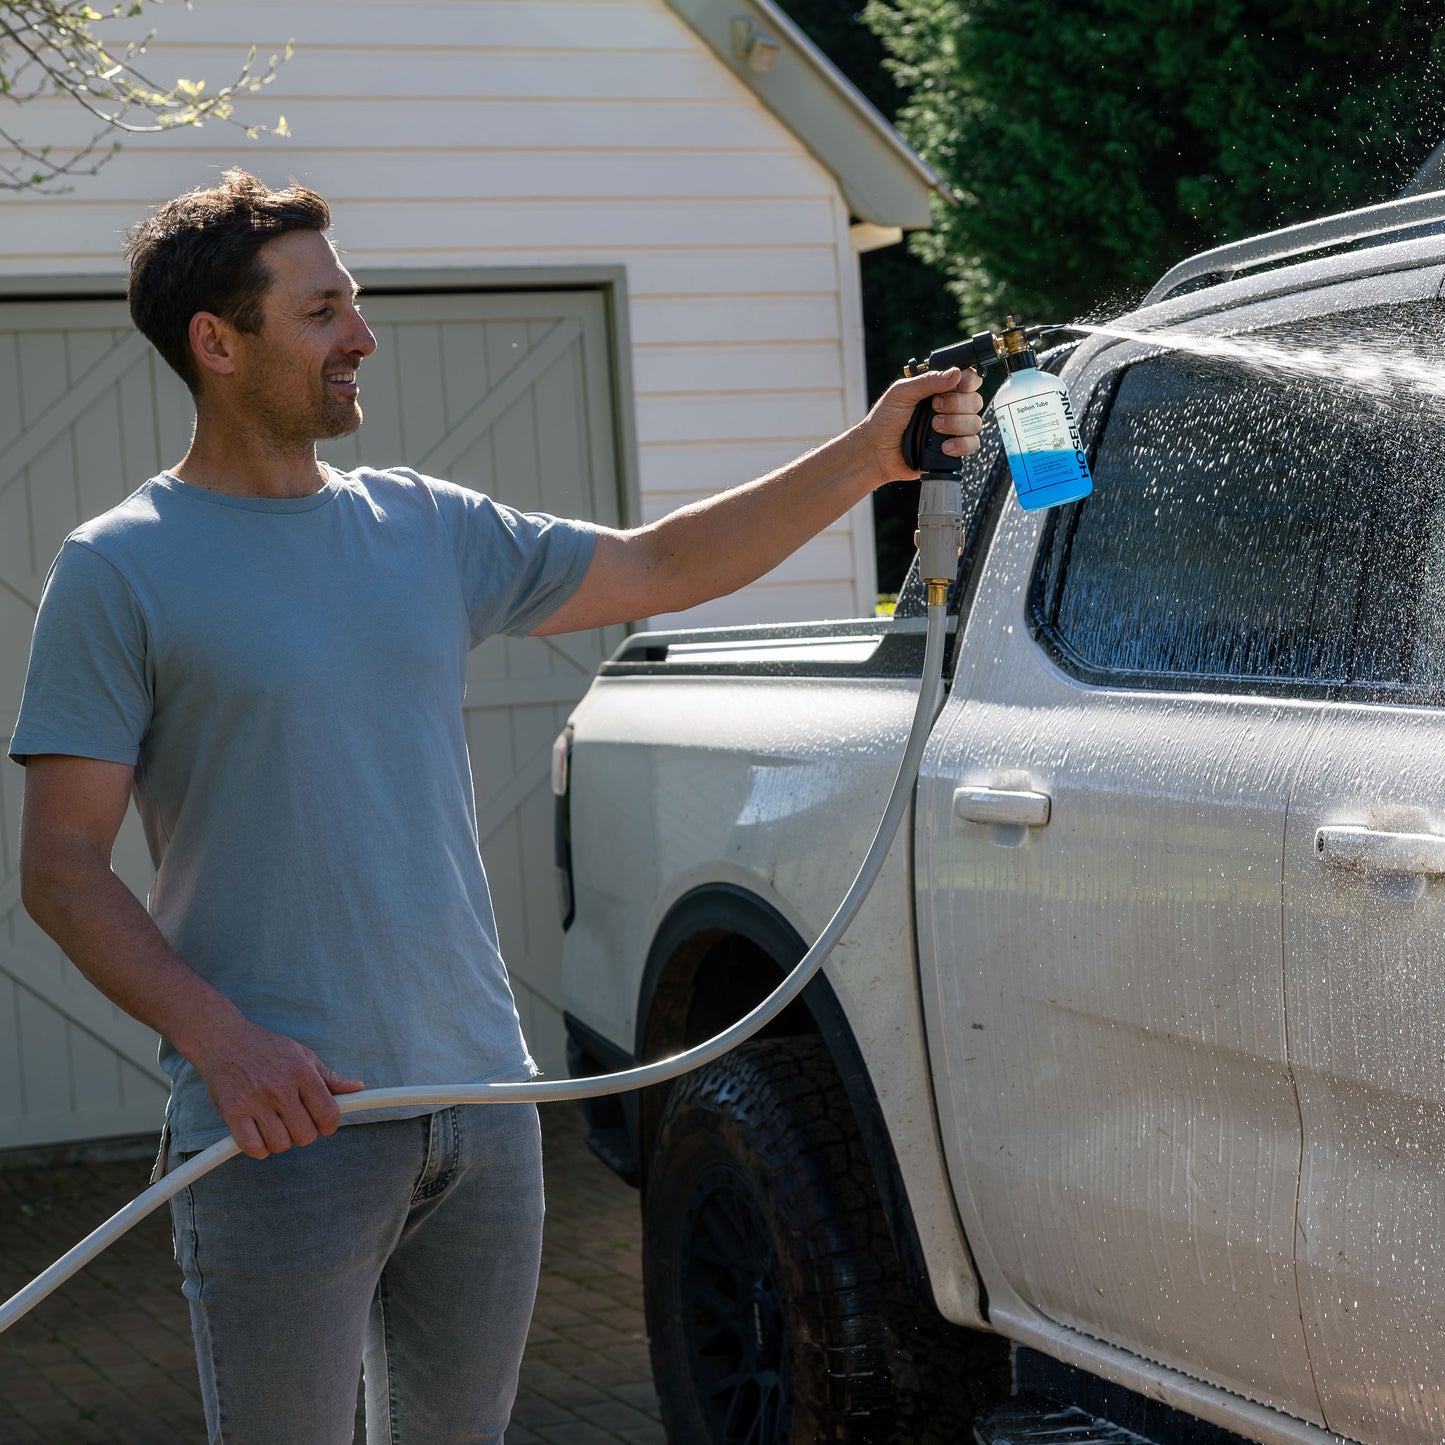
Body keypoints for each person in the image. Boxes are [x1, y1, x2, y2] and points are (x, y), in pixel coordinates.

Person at [9, 169, 983, 1444]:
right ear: (217, 341)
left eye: (352, 302)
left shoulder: (420, 525)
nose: (361, 335)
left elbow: (660, 562)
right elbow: (63, 868)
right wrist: (223, 1044)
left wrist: (868, 456)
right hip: (287, 1125)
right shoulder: (118, 566)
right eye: (320, 313)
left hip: (485, 1105)